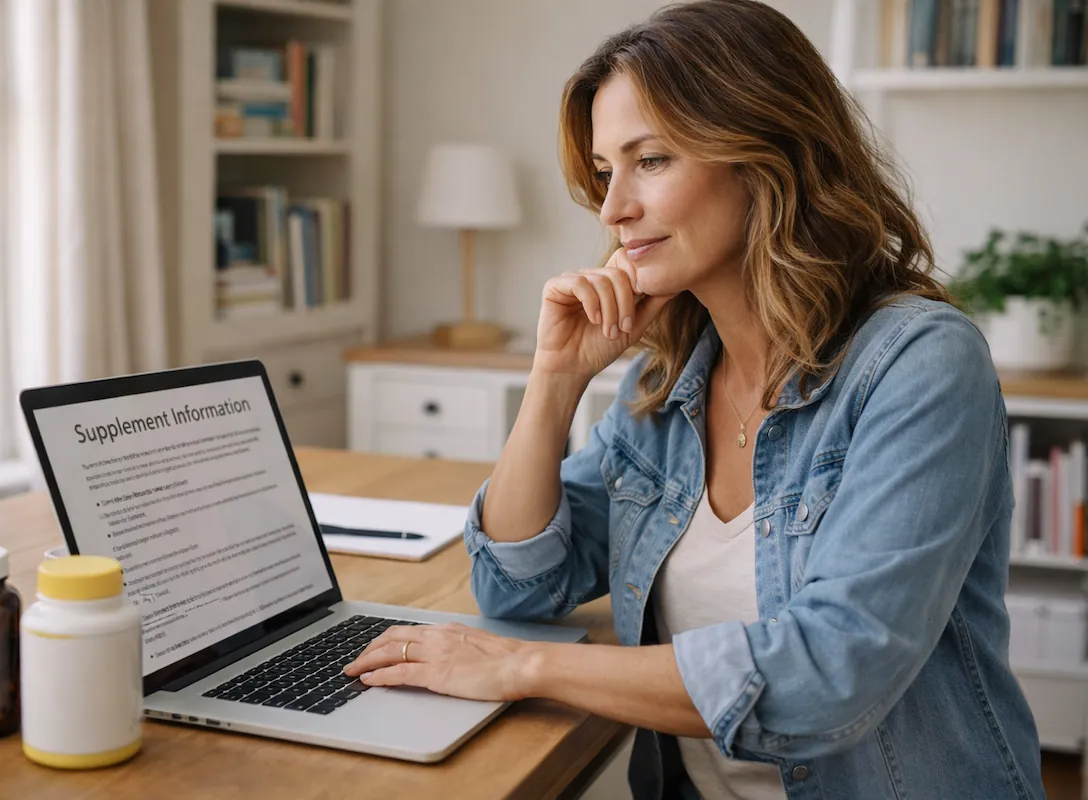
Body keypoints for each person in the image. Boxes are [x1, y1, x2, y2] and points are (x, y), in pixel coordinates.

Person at [345, 1, 1045, 798]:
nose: (612, 210)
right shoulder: (666, 381)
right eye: (607, 173)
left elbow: (829, 671)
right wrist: (554, 378)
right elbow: (518, 586)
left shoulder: (920, 364)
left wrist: (520, 667)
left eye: (650, 161)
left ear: (766, 154)